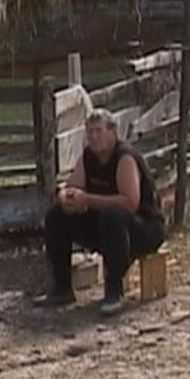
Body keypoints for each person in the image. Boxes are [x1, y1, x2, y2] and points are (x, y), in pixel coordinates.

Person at [33, 108, 166, 316]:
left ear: (112, 132)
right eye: (90, 133)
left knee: (112, 215)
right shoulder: (88, 157)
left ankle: (114, 291)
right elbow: (71, 186)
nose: (94, 137)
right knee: (56, 216)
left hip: (144, 227)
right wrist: (64, 197)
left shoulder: (125, 158)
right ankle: (62, 288)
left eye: (99, 131)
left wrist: (87, 200)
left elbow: (130, 203)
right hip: (108, 227)